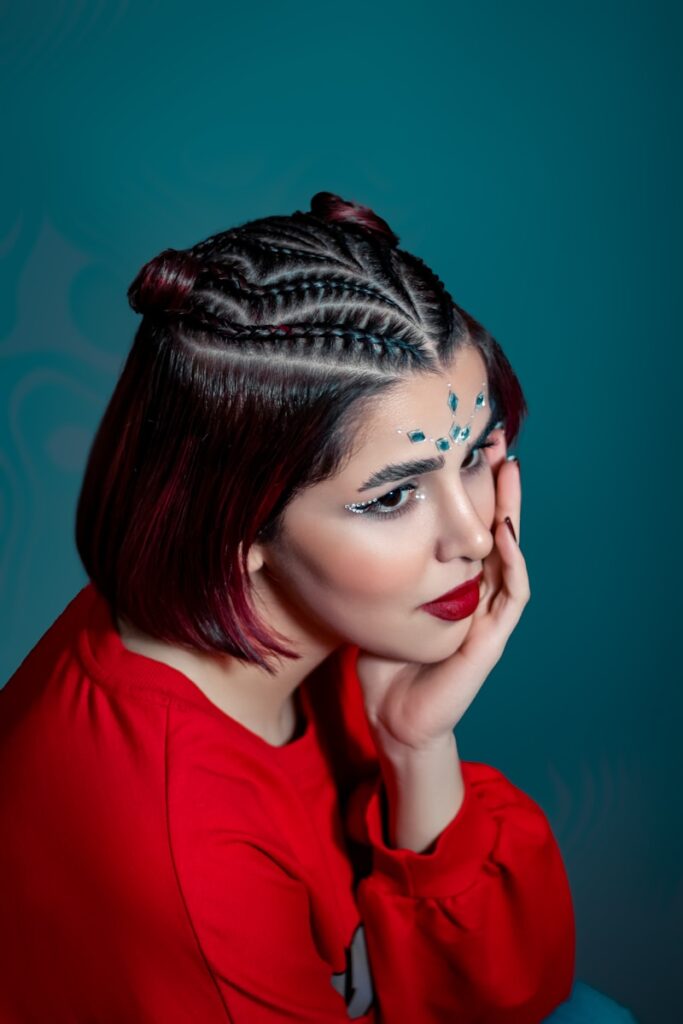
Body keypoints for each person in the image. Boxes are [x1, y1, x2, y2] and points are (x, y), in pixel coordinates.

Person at [0, 192, 637, 1022]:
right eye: (392, 497)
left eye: (475, 457)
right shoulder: (178, 850)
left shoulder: (319, 620)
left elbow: (514, 989)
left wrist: (415, 746)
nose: (472, 536)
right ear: (234, 522)